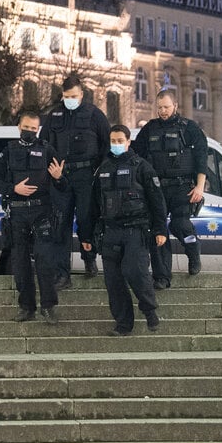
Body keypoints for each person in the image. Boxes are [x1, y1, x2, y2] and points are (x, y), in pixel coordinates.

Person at [83, 125, 167, 336]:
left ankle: (149, 311)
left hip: (135, 231)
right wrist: (86, 235)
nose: (117, 144)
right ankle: (123, 325)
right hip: (109, 232)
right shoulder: (102, 168)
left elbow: (157, 201)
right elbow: (92, 206)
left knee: (135, 271)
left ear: (128, 142)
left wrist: (160, 230)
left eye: (121, 140)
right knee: (113, 282)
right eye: (113, 140)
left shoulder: (142, 167)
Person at [0, 110, 69, 324]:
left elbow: (63, 185)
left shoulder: (47, 150)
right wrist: (13, 188)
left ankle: (49, 307)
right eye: (27, 128)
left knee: (45, 261)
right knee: (20, 263)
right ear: (19, 127)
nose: (30, 132)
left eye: (34, 129)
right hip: (17, 213)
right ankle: (26, 308)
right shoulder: (8, 151)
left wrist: (59, 178)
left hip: (42, 211)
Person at [131, 89, 208, 289]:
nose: (163, 111)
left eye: (166, 107)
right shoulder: (150, 129)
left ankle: (193, 250)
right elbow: (135, 156)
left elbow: (201, 158)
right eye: (159, 107)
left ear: (175, 106)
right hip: (157, 188)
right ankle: (162, 277)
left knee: (180, 224)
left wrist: (200, 187)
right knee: (158, 231)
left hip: (183, 186)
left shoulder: (189, 128)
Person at [40, 73, 111, 286]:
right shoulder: (54, 116)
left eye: (73, 95)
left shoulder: (94, 115)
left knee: (86, 221)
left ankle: (89, 258)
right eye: (66, 96)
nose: (69, 99)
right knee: (59, 224)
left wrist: (99, 172)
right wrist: (51, 171)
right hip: (60, 178)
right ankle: (62, 274)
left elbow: (106, 146)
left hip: (86, 177)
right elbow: (44, 145)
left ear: (81, 94)